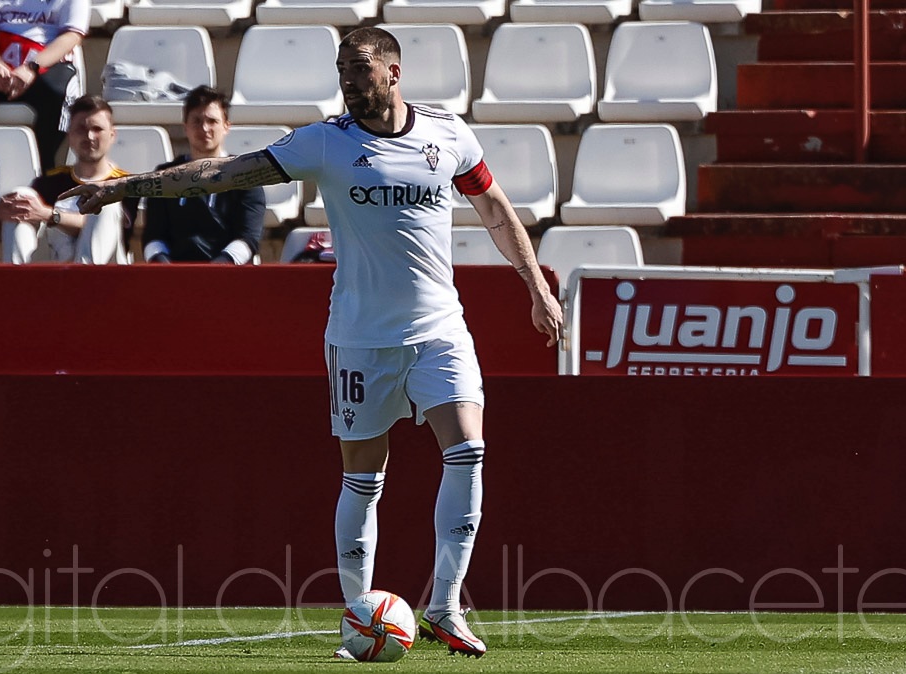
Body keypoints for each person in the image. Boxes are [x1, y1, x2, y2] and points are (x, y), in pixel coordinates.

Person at [61, 26, 563, 659]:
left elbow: (494, 207)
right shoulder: (325, 143)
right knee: (364, 478)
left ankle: (443, 607)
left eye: (360, 70)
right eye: (341, 70)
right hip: (359, 338)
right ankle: (358, 617)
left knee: (467, 450)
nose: (349, 82)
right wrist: (122, 187)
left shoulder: (448, 135)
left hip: (440, 328)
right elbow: (222, 173)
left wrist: (536, 287)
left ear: (393, 71)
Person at [0, 95, 136, 264]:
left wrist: (52, 216)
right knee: (22, 196)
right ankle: (19, 281)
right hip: (53, 269)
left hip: (104, 277)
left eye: (97, 129)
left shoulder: (127, 185)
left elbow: (106, 231)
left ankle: (81, 285)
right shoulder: (49, 183)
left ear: (112, 135)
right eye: (81, 129)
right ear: (69, 135)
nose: (89, 136)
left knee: (106, 203)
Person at [0, 0, 88, 172]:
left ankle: (44, 168)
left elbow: (71, 36)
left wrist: (32, 67)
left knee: (55, 94)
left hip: (47, 64)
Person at [142, 86, 264, 265]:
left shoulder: (246, 176)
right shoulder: (164, 177)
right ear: (185, 127)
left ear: (226, 126)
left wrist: (216, 270)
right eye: (196, 121)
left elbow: (248, 238)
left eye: (212, 121)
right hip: (172, 278)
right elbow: (153, 237)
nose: (204, 128)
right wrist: (165, 270)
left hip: (227, 278)